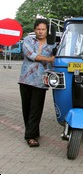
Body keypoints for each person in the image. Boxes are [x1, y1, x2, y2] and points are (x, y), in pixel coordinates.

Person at [18, 19, 56, 147]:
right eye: (38, 29)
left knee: (36, 108)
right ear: (35, 30)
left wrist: (53, 60)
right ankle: (33, 131)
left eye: (43, 29)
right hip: (25, 79)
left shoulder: (52, 45)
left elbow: (55, 61)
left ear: (47, 31)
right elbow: (30, 55)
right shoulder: (28, 40)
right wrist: (49, 59)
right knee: (27, 108)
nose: (40, 32)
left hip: (41, 81)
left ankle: (30, 136)